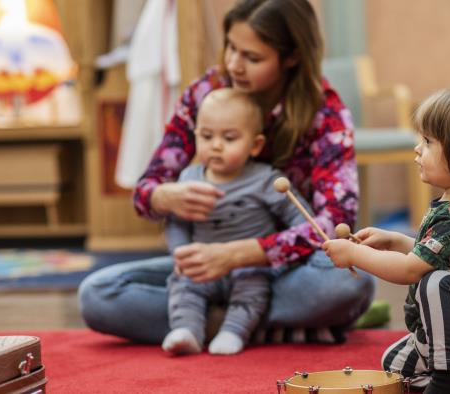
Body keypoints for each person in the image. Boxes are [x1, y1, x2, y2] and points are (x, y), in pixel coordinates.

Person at [78, 0, 374, 348]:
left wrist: (240, 254)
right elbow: (147, 191)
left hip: (284, 270)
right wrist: (164, 196)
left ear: (292, 57)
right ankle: (257, 327)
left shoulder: (327, 114)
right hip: (203, 271)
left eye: (252, 57)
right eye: (231, 47)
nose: (234, 64)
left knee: (350, 285)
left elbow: (334, 223)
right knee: (97, 295)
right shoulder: (205, 94)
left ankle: (210, 323)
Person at [323, 87, 450, 394]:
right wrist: (395, 240)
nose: (417, 149)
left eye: (428, 141)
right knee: (395, 363)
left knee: (436, 283)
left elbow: (411, 270)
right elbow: (439, 256)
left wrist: (353, 255)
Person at [162, 88, 312, 356]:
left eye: (229, 138)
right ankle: (188, 330)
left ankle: (234, 330)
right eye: (207, 136)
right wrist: (180, 253)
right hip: (201, 268)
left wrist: (272, 258)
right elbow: (177, 222)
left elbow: (302, 220)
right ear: (195, 135)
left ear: (255, 145)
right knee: (182, 286)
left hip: (250, 267)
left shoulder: (266, 179)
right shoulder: (188, 178)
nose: (216, 145)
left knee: (252, 292)